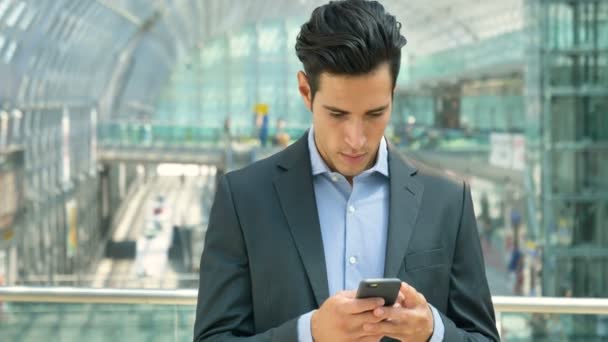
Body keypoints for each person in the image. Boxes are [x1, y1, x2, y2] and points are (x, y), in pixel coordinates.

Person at [193, 1, 499, 341]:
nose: (356, 139)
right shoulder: (244, 198)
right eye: (337, 114)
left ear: (393, 95)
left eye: (374, 113)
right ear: (305, 92)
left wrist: (433, 331)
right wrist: (308, 334)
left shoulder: (448, 202)